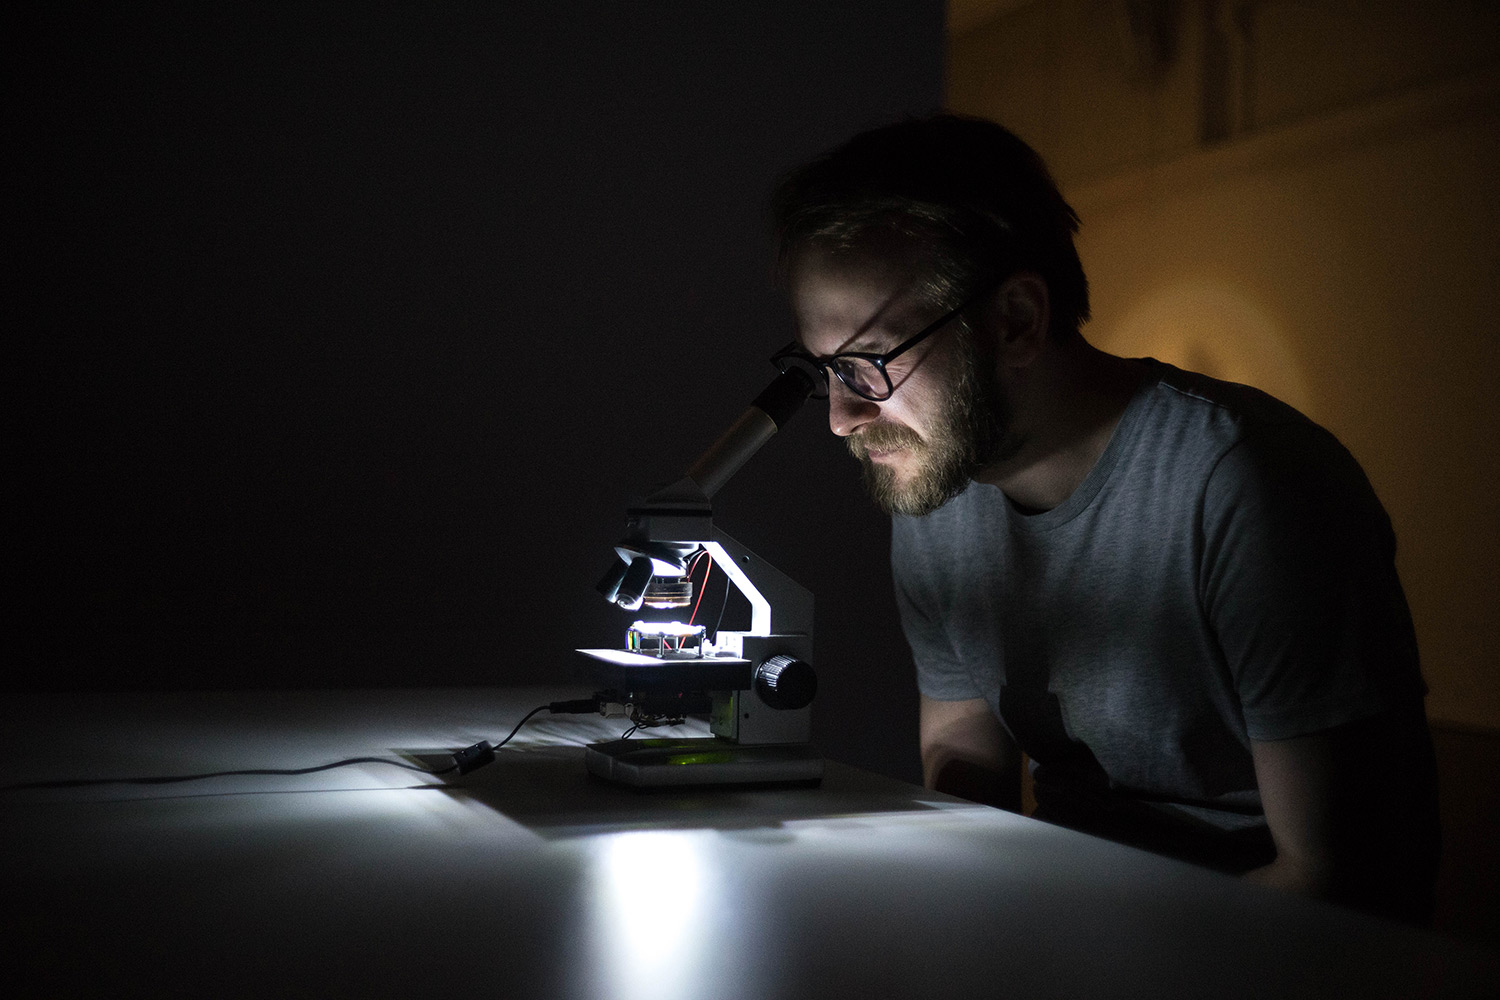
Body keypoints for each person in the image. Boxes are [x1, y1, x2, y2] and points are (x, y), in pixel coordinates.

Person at [768, 114, 1439, 924]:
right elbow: (963, 765)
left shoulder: (1246, 486)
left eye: (868, 364)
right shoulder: (936, 485)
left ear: (1016, 319)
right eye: (825, 369)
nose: (842, 417)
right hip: (1070, 929)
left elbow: (1340, 879)